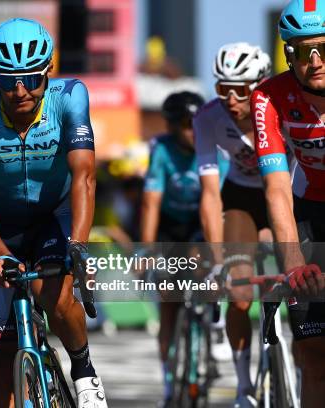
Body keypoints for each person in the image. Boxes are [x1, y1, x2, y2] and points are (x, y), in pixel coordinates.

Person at [0, 18, 108, 407]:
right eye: (7, 81)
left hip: (51, 218)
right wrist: (0, 253)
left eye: (32, 79)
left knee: (55, 299)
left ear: (47, 73)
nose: (20, 91)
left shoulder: (70, 96)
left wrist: (79, 245)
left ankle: (84, 369)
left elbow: (84, 177)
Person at [251, 1, 325, 406]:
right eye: (300, 51)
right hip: (310, 211)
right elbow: (277, 187)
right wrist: (294, 264)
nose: (314, 62)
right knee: (313, 353)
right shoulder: (268, 97)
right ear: (287, 56)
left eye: (323, 49)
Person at [193, 42, 272, 408]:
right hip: (241, 197)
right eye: (221, 88)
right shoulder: (208, 118)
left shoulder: (279, 108)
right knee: (239, 296)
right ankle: (244, 388)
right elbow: (210, 194)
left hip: (287, 193)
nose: (230, 98)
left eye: (239, 88)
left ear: (260, 84)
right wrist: (217, 258)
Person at [140, 91, 228, 407]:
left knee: (203, 260)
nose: (193, 131)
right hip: (170, 226)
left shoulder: (215, 149)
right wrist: (146, 250)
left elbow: (220, 205)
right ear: (173, 127)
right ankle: (168, 381)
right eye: (185, 125)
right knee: (168, 298)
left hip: (202, 224)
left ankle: (215, 325)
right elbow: (151, 202)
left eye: (196, 125)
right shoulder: (161, 149)